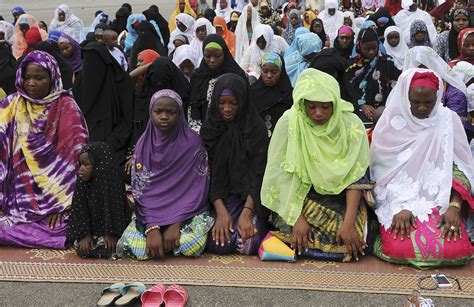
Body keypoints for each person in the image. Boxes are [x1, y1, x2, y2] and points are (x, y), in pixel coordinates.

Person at [260, 68, 372, 262]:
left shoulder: (350, 124)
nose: (318, 113)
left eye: (325, 107)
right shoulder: (290, 122)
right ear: (302, 104)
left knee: (354, 237)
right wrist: (297, 219)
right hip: (299, 199)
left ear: (335, 104)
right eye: (311, 107)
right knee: (304, 232)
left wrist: (348, 224)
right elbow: (280, 176)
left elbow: (357, 176)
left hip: (341, 199)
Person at [371, 69, 474, 269]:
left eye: (428, 102)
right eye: (415, 101)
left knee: (454, 252)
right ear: (404, 96)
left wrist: (454, 206)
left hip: (438, 198)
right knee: (399, 248)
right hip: (396, 199)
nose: (421, 108)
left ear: (438, 97)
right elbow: (381, 175)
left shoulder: (448, 119)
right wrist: (400, 205)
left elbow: (462, 167)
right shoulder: (391, 122)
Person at [0, 50, 88, 249]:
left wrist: (62, 204)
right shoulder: (12, 104)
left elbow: (76, 159)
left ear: (52, 78)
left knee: (65, 227)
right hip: (17, 196)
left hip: (58, 197)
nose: (31, 83)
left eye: (39, 78)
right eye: (27, 77)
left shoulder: (66, 106)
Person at [120, 90, 213, 260]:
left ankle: (169, 241)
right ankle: (162, 242)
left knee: (189, 245)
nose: (164, 116)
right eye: (158, 112)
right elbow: (141, 191)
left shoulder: (193, 144)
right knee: (139, 250)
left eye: (171, 112)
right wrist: (152, 227)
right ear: (150, 113)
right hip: (151, 214)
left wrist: (176, 223)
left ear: (180, 114)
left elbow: (198, 189)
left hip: (186, 213)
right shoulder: (144, 145)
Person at [201, 73, 269, 255]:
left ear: (243, 101)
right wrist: (221, 212)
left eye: (233, 103)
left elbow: (259, 173)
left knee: (248, 243)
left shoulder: (255, 129)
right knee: (219, 244)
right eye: (222, 103)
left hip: (250, 198)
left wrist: (246, 213)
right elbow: (209, 174)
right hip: (220, 197)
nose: (227, 109)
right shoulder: (210, 130)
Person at [67, 142, 132, 258]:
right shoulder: (82, 182)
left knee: (114, 247)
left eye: (86, 165)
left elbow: (115, 209)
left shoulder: (110, 181)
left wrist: (111, 233)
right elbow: (79, 208)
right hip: (91, 230)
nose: (81, 169)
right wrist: (84, 235)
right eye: (80, 164)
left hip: (113, 228)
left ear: (99, 165)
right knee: (83, 249)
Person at [74, 41, 134, 164]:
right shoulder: (81, 82)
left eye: (95, 63)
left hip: (113, 150)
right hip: (81, 152)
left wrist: (106, 146)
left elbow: (127, 120)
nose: (91, 68)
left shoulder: (121, 84)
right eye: (87, 63)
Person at [189, 34, 248, 131]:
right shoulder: (198, 76)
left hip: (233, 130)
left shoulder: (236, 75)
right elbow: (193, 107)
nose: (212, 60)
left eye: (217, 56)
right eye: (207, 56)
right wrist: (199, 132)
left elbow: (245, 107)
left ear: (224, 53)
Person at [346, 28, 400, 125]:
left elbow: (396, 87)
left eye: (374, 48)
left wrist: (384, 108)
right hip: (357, 112)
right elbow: (347, 89)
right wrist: (361, 104)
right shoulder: (351, 66)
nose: (371, 52)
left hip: (384, 112)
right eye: (367, 49)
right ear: (359, 46)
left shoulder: (388, 62)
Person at [131, 57, 190, 145]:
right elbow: (126, 79)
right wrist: (152, 64)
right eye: (155, 80)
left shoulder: (183, 98)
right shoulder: (142, 97)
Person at [250, 52, 293, 137]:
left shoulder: (288, 95)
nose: (269, 76)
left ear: (281, 71)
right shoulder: (252, 93)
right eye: (265, 71)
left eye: (274, 72)